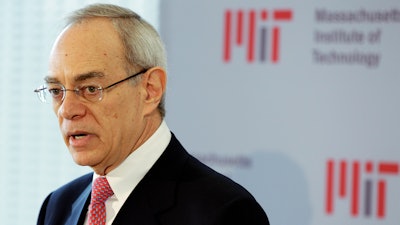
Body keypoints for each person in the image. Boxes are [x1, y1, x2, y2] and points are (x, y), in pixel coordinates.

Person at [35, 3, 269, 225]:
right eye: (56, 91)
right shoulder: (58, 206)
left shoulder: (224, 212)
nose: (67, 110)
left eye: (90, 89)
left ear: (150, 90)